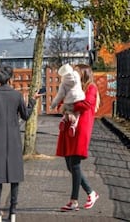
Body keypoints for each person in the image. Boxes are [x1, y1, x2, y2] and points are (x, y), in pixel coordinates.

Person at [0, 65, 39, 222]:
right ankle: (13, 212)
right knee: (14, 176)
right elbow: (26, 116)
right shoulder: (17, 95)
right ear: (10, 79)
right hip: (14, 138)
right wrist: (32, 101)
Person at [56, 63, 100, 212]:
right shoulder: (72, 86)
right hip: (70, 127)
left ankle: (74, 201)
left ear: (83, 73)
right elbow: (61, 102)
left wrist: (68, 107)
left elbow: (86, 104)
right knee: (70, 164)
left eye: (76, 72)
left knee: (74, 164)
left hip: (81, 128)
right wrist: (66, 110)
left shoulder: (91, 87)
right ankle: (91, 193)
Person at [51, 63, 86, 137]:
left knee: (66, 109)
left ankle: (64, 119)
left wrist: (53, 104)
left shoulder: (63, 83)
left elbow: (60, 95)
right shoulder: (77, 76)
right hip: (79, 98)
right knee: (77, 114)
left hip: (68, 100)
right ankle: (74, 125)